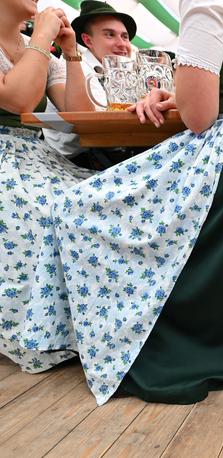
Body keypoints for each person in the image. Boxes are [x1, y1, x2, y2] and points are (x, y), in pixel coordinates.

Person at [29, 0, 223, 405]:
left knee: (74, 207)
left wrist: (185, 100)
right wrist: (180, 95)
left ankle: (114, 333)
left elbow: (199, 117)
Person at [0, 1, 94, 372]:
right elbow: (17, 99)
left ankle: (88, 323)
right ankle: (40, 330)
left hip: (33, 157)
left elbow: (81, 120)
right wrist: (41, 35)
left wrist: (70, 54)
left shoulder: (36, 48)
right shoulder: (35, 42)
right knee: (42, 209)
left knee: (93, 198)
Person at [42, 0, 136, 159]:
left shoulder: (125, 73)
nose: (122, 44)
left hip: (112, 153)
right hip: (75, 161)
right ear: (88, 40)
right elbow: (96, 122)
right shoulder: (72, 67)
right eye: (110, 35)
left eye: (125, 37)